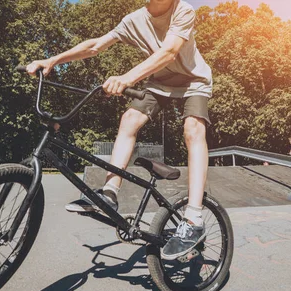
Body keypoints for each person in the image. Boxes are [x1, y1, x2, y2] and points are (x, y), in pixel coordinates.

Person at [25, 0, 211, 260]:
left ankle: (193, 217)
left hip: (194, 80)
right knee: (129, 119)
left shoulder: (183, 10)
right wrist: (53, 59)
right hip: (158, 82)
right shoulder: (134, 20)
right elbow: (96, 45)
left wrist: (126, 78)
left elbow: (169, 51)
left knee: (193, 129)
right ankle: (110, 191)